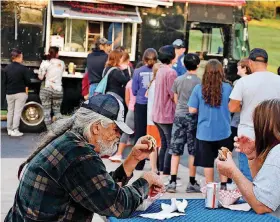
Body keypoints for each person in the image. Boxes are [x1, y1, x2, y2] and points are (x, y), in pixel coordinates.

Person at [5, 94, 164, 221]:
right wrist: (146, 179)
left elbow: (98, 188)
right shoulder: (78, 154)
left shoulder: (71, 143)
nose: (118, 137)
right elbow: (118, 205)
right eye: (116, 130)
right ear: (96, 127)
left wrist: (133, 159)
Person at [228, 48, 280, 181]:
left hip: (248, 133)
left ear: (250, 63)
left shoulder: (244, 82)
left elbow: (232, 107)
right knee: (272, 174)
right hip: (274, 133)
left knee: (248, 176)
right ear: (266, 63)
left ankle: (249, 201)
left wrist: (246, 106)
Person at [188, 59, 232, 187]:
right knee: (223, 159)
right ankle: (224, 186)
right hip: (224, 130)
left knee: (208, 162)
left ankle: (210, 187)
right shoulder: (228, 88)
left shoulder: (198, 88)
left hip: (204, 131)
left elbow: (192, 109)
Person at [166, 53, 201, 193]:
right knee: (193, 151)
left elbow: (175, 99)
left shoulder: (178, 80)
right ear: (197, 65)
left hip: (179, 115)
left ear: (184, 65)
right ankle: (192, 182)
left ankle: (172, 181)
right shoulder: (199, 82)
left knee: (176, 150)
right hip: (193, 116)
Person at [152, 45, 177, 178]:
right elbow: (173, 94)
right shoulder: (171, 72)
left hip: (157, 113)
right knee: (170, 144)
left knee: (164, 143)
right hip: (167, 114)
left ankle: (162, 171)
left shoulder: (160, 70)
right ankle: (167, 173)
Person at [132, 48, 158, 170]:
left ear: (143, 59)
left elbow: (134, 90)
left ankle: (139, 163)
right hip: (154, 105)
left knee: (140, 134)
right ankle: (156, 163)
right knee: (155, 135)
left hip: (141, 104)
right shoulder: (158, 71)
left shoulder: (137, 71)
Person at [230, 58, 253, 181]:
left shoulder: (239, 83)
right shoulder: (255, 82)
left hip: (239, 123)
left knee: (240, 154)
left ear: (244, 68)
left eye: (239, 66)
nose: (237, 69)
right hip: (250, 123)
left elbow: (233, 106)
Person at [109, 66, 136, 162]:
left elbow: (127, 99)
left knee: (126, 131)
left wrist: (130, 107)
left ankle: (119, 153)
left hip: (132, 109)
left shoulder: (129, 83)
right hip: (144, 110)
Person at [3, 48, 31, 137]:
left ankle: (9, 129)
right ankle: (15, 130)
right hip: (20, 93)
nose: (22, 58)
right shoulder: (23, 69)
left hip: (9, 93)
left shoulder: (6, 68)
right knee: (17, 112)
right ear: (18, 57)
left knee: (10, 111)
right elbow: (28, 81)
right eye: (22, 56)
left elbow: (4, 81)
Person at [38, 47, 65, 130]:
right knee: (57, 111)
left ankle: (49, 130)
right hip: (58, 89)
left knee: (46, 111)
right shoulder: (62, 63)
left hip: (47, 89)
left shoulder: (45, 63)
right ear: (57, 54)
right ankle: (59, 128)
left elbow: (40, 77)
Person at [146, 62, 162, 173]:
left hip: (150, 118)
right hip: (158, 118)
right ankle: (158, 167)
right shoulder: (159, 85)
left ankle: (153, 168)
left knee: (153, 145)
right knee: (160, 144)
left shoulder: (152, 84)